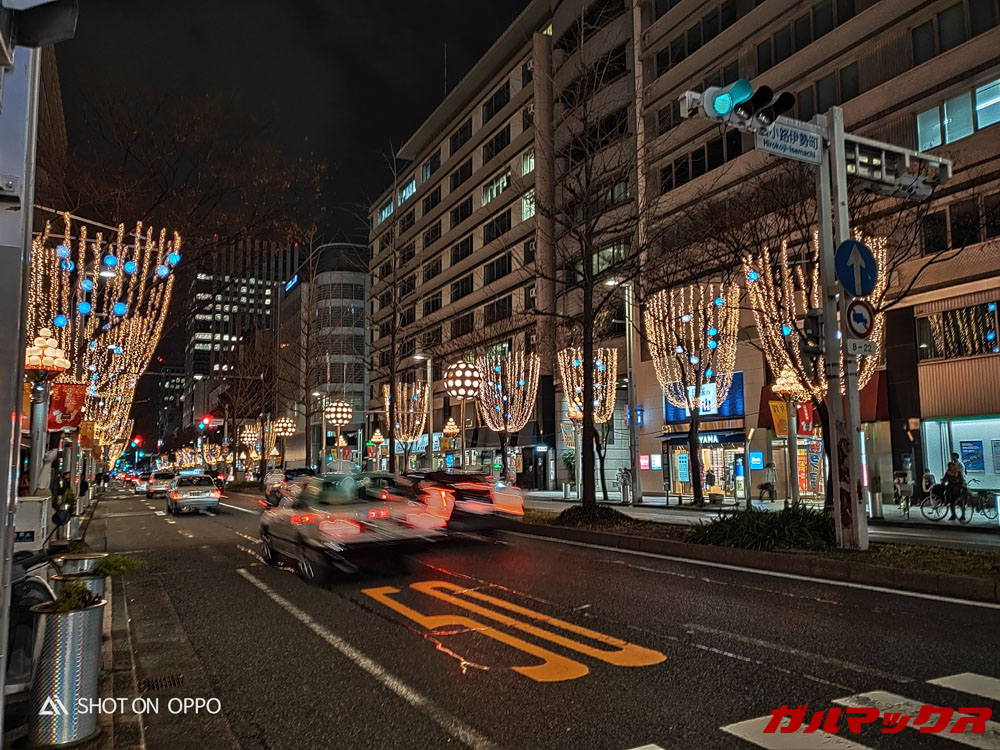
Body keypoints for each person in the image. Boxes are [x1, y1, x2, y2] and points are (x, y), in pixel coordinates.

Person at [944, 453, 966, 520]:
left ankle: (962, 515)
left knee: (960, 502)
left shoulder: (959, 466)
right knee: (952, 502)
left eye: (953, 456)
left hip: (958, 488)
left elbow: (961, 477)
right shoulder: (949, 472)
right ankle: (953, 515)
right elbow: (945, 479)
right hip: (952, 489)